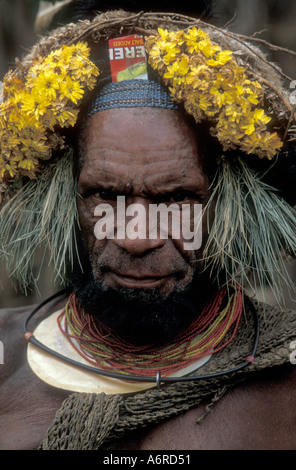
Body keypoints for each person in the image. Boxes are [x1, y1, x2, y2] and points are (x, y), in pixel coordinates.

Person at [0, 4, 296, 450]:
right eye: (105, 194)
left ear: (227, 203)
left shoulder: (284, 380)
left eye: (177, 198)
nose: (136, 237)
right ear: (67, 199)